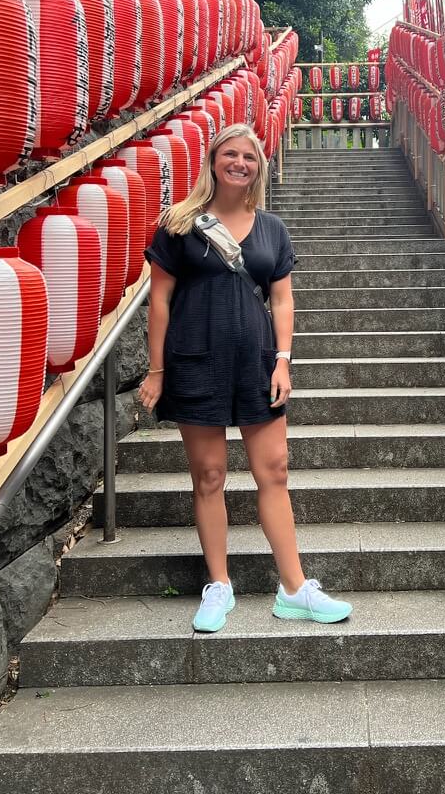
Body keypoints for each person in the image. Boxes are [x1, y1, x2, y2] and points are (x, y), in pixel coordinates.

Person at [139, 123, 352, 632]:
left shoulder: (272, 229)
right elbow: (160, 301)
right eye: (230, 154)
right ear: (213, 161)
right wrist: (156, 369)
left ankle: (295, 589)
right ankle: (219, 586)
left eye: (249, 156)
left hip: (256, 359)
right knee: (209, 476)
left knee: (274, 470)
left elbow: (282, 299)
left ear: (258, 166)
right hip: (195, 357)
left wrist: (283, 359)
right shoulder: (181, 224)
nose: (240, 162)